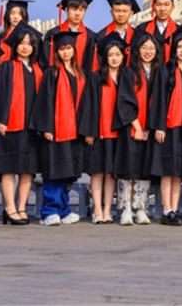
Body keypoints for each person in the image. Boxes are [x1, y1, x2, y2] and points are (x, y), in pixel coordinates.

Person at [33, 31, 86, 226]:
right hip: (56, 130)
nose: (65, 52)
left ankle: (63, 210)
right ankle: (49, 212)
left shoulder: (80, 74)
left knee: (65, 171)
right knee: (54, 171)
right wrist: (47, 127)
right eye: (62, 49)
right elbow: (45, 102)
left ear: (74, 50)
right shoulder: (51, 73)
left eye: (69, 48)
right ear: (56, 51)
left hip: (73, 130)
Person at [0, 28, 42, 225]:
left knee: (27, 170)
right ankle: (9, 208)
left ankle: (22, 207)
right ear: (15, 46)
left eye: (29, 43)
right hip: (11, 124)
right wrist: (1, 119)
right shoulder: (7, 67)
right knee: (9, 168)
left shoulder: (38, 68)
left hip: (31, 127)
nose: (25, 47)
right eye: (21, 43)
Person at [78, 38, 127, 225]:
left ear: (123, 56)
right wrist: (89, 130)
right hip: (99, 132)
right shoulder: (96, 77)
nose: (114, 58)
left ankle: (108, 210)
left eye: (117, 54)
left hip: (118, 134)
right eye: (111, 55)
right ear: (104, 57)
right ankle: (97, 209)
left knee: (111, 173)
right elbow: (88, 105)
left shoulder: (126, 77)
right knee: (97, 172)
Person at [149, 34, 182, 226]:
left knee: (179, 171)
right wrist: (160, 125)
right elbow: (159, 99)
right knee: (167, 169)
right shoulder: (165, 70)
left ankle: (175, 208)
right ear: (174, 49)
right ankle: (166, 210)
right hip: (168, 126)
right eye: (179, 47)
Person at [115, 34, 157, 226]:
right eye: (144, 47)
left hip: (150, 128)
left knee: (144, 170)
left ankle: (141, 209)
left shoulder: (158, 72)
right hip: (131, 128)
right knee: (128, 168)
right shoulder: (128, 72)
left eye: (151, 48)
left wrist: (151, 127)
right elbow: (124, 100)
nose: (147, 52)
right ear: (137, 49)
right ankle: (125, 209)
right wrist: (138, 127)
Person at [53, 0, 99, 74]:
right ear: (66, 10)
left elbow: (92, 64)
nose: (77, 13)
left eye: (81, 10)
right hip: (58, 82)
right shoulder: (53, 34)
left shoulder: (92, 36)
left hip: (83, 82)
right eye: (74, 9)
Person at [140, 0, 182, 64]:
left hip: (171, 75)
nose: (162, 9)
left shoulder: (179, 31)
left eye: (166, 4)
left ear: (173, 7)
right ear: (153, 6)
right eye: (158, 4)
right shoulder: (142, 29)